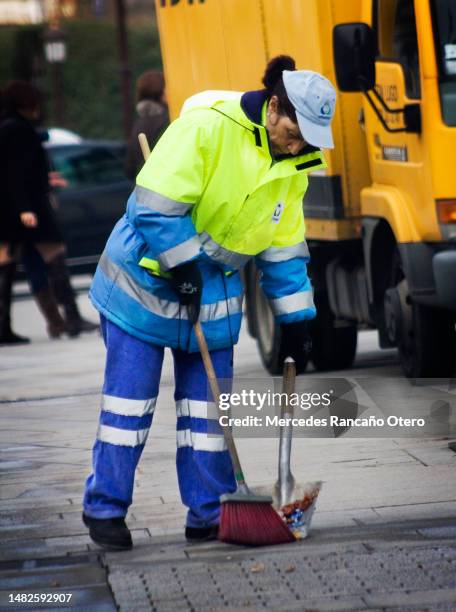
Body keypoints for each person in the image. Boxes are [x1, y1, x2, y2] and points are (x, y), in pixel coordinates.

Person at [82, 56, 336, 550]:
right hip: (142, 286)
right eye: (294, 129)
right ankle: (105, 509)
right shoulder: (206, 127)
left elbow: (283, 248)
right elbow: (153, 208)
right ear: (274, 106)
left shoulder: (294, 168)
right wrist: (180, 266)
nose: (299, 142)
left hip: (213, 294)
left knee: (208, 414)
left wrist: (297, 321)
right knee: (129, 405)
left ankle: (209, 512)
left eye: (309, 136)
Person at [0, 81, 98, 343]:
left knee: (14, 266)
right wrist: (25, 208)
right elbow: (15, 174)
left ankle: (45, 323)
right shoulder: (19, 130)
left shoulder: (9, 128)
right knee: (54, 256)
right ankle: (69, 318)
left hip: (11, 210)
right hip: (26, 209)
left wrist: (44, 180)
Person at [124, 70, 169, 181]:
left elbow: (130, 168)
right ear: (161, 92)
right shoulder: (168, 121)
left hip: (146, 188)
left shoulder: (138, 125)